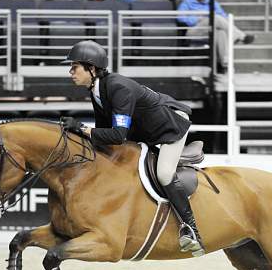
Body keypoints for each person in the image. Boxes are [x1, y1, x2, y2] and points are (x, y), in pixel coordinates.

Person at [61, 40, 205, 255]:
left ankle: (190, 229)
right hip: (145, 129)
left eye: (75, 67)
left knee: (164, 173)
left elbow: (117, 135)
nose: (70, 71)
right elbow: (104, 134)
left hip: (170, 127)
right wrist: (82, 134)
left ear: (91, 68)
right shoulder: (97, 90)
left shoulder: (118, 88)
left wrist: (82, 129)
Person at [177, 0, 254, 73]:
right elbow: (180, 18)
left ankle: (225, 64)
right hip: (194, 31)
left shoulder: (211, 1)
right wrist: (197, 19)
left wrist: (210, 18)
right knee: (215, 18)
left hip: (211, 30)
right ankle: (240, 36)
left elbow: (223, 16)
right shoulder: (187, 2)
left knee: (221, 33)